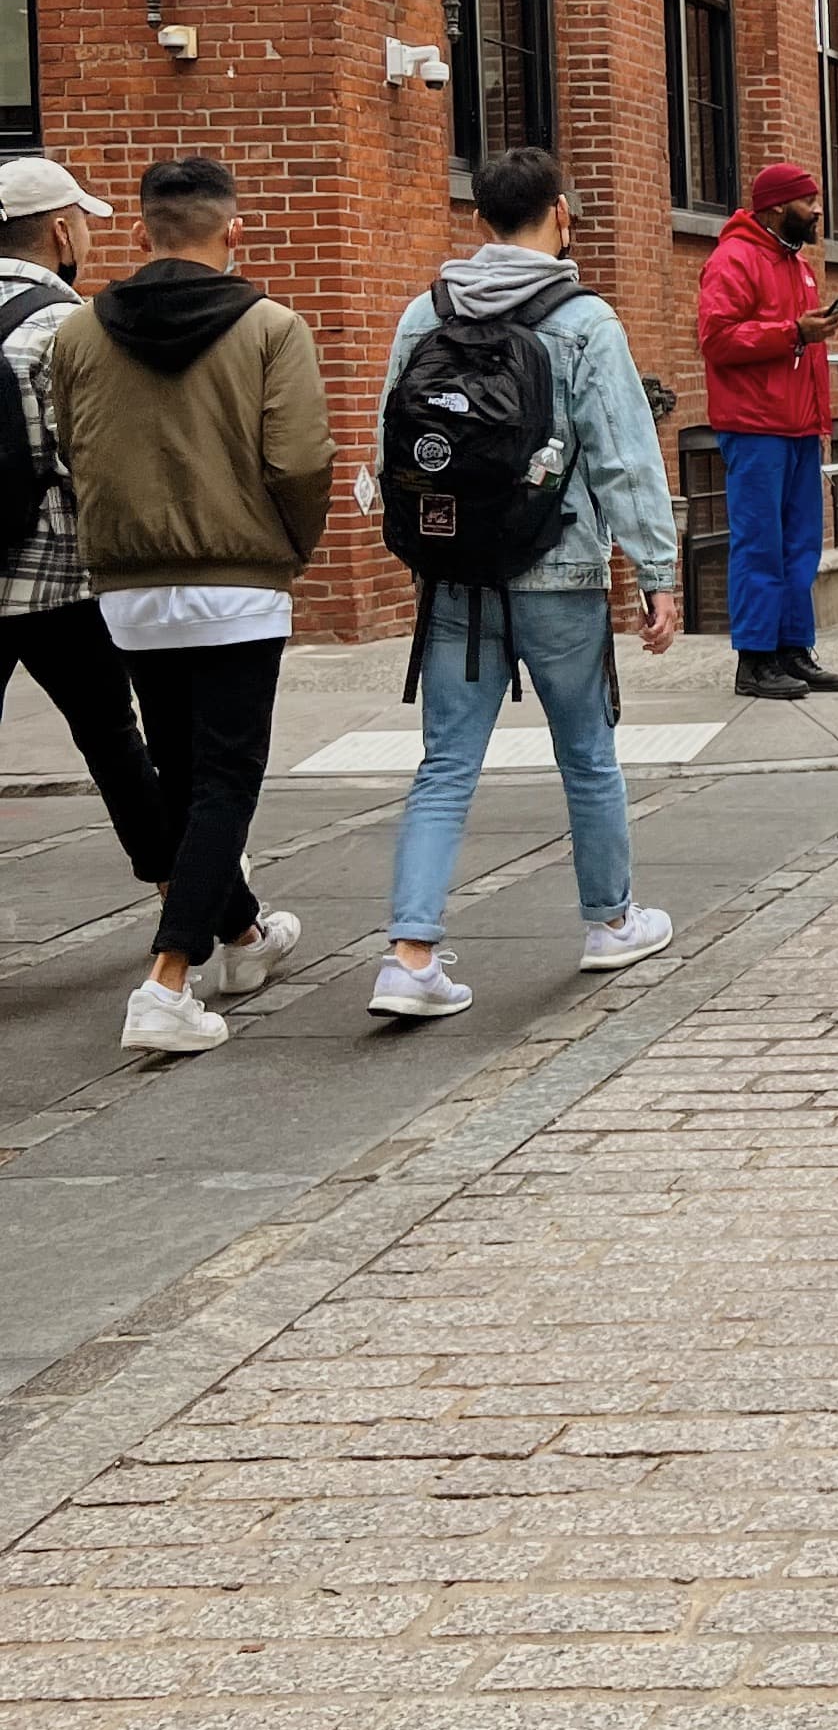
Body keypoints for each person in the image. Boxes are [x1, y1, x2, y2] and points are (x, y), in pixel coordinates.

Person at [369, 148, 683, 1022]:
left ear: (479, 221)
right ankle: (610, 922)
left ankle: (409, 955)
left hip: (456, 578)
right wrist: (656, 572)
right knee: (586, 753)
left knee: (445, 765)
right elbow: (624, 458)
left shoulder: (426, 312)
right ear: (563, 214)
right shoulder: (585, 322)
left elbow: (394, 448)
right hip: (562, 568)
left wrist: (426, 547)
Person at [50, 152, 330, 1058]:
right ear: (234, 229)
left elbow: (73, 448)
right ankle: (168, 980)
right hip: (239, 583)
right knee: (225, 781)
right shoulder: (272, 328)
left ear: (140, 232)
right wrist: (288, 546)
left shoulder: (78, 333)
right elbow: (299, 460)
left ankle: (244, 937)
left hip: (129, 583)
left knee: (181, 775)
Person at [0, 156, 175, 897]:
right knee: (110, 736)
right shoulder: (66, 326)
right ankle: (183, 897)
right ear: (61, 233)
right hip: (54, 577)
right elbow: (92, 460)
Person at [696, 161, 838, 701]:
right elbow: (717, 338)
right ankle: (755, 660)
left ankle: (792, 649)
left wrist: (818, 416)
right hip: (756, 426)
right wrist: (793, 332)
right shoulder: (733, 258)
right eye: (809, 202)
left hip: (798, 426)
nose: (818, 211)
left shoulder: (796, 264)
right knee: (760, 542)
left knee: (801, 544)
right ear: (778, 206)